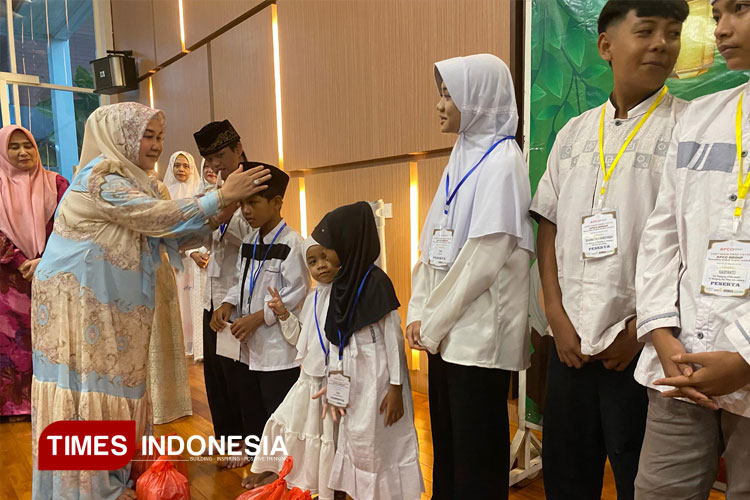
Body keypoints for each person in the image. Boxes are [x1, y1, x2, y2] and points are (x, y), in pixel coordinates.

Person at [30, 102, 270, 500]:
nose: (157, 145)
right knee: (92, 384)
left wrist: (220, 207)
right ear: (118, 136)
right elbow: (155, 216)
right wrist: (218, 198)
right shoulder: (101, 177)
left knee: (119, 385)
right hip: (83, 304)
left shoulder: (140, 182)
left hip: (117, 307)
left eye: (160, 136)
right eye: (148, 135)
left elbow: (170, 233)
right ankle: (90, 485)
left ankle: (114, 470)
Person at [530, 2, 689, 498]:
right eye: (646, 31)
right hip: (569, 343)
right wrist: (554, 312)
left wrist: (644, 328)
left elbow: (688, 243)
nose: (661, 44)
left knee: (637, 479)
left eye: (672, 33)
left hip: (640, 350)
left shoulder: (688, 129)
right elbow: (549, 225)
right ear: (605, 46)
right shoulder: (574, 133)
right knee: (566, 475)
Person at [633, 1, 750, 497]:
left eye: (739, 9)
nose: (720, 28)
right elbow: (662, 234)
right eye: (718, 12)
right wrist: (661, 333)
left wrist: (746, 356)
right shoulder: (703, 116)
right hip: (680, 364)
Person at [405, 54, 534, 499]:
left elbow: (484, 257)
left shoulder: (504, 161)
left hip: (478, 338)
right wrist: (417, 312)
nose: (440, 105)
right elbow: (432, 244)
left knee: (476, 459)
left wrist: (433, 322)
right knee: (449, 449)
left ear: (478, 99)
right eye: (440, 94)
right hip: (446, 334)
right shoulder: (462, 154)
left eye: (449, 95)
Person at [313, 202, 424, 500]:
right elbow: (335, 338)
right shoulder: (341, 282)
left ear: (349, 241)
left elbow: (392, 339)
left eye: (329, 248)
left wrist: (396, 387)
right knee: (356, 437)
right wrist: (331, 381)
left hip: (378, 375)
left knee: (379, 439)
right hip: (350, 372)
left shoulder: (376, 282)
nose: (327, 256)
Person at [211, 162, 309, 478]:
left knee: (277, 411)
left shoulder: (294, 244)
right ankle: (259, 463)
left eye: (253, 202)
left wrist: (258, 318)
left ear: (277, 203)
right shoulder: (250, 241)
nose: (246, 210)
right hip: (248, 347)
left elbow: (295, 293)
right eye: (242, 203)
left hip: (278, 349)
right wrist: (226, 303)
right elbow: (239, 278)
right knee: (251, 407)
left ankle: (281, 469)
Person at [248, 237, 339, 499]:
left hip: (328, 383)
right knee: (286, 424)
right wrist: (284, 314)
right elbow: (301, 338)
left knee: (319, 438)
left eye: (325, 257)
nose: (320, 265)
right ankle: (281, 474)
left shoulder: (343, 297)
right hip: (307, 380)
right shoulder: (312, 298)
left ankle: (316, 484)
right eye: (312, 261)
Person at [194, 120, 255, 461]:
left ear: (238, 148)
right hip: (211, 295)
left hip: (239, 295)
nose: (216, 165)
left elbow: (255, 238)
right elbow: (201, 234)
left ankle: (249, 444)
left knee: (238, 376)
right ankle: (228, 441)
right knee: (216, 377)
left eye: (220, 155)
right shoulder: (214, 187)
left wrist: (226, 213)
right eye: (210, 159)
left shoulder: (257, 180)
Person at [0, 125, 69, 419]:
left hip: (51, 275)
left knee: (52, 340)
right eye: (13, 147)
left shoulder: (57, 184)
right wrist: (20, 260)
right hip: (8, 283)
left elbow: (70, 226)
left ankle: (51, 403)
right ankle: (13, 405)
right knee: (11, 343)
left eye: (27, 145)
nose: (22, 152)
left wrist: (44, 259)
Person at [146, 174, 192, 424]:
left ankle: (166, 401)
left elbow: (173, 228)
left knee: (160, 332)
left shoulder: (157, 187)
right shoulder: (114, 183)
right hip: (124, 270)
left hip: (157, 266)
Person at [163, 151, 202, 355]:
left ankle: (198, 344)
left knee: (195, 298)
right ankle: (181, 343)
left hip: (198, 256)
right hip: (175, 254)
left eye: (185, 166)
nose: (181, 169)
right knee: (179, 297)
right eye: (177, 165)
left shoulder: (199, 191)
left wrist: (195, 250)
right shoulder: (164, 193)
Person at [188, 159, 218, 362]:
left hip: (219, 262)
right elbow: (188, 233)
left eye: (214, 166)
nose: (210, 170)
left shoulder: (230, 198)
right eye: (206, 166)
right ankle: (202, 350)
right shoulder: (196, 199)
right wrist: (194, 253)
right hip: (200, 263)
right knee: (202, 306)